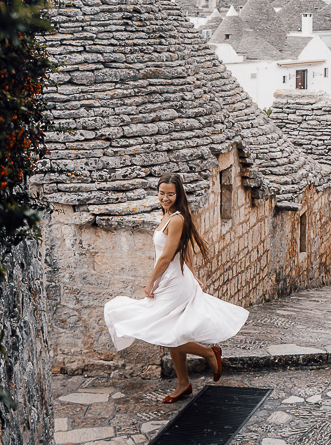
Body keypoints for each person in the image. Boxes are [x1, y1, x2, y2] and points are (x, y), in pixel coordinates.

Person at [104, 172, 249, 403]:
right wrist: (192, 273)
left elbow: (167, 256)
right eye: (161, 193)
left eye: (170, 194)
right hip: (173, 278)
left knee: (168, 331)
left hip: (173, 281)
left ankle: (208, 353)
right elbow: (187, 249)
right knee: (171, 330)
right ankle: (184, 384)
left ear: (178, 194)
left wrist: (150, 281)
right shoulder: (167, 215)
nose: (165, 198)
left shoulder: (178, 218)